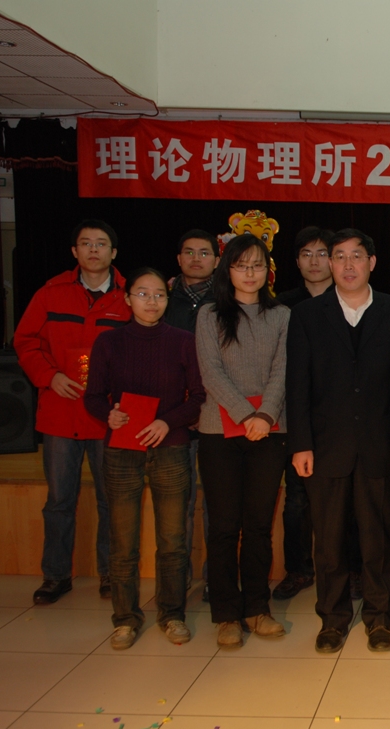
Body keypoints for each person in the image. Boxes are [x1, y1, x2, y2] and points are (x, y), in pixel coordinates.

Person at [286, 228, 390, 654]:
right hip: (325, 447)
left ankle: (379, 619)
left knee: (377, 539)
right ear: (329, 263)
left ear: (371, 263)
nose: (347, 264)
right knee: (328, 542)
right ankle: (333, 620)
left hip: (380, 445)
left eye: (356, 256)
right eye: (338, 256)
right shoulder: (307, 315)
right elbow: (297, 385)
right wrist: (301, 443)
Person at [84, 268, 205, 649]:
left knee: (172, 540)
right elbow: (93, 396)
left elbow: (199, 397)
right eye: (143, 294)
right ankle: (125, 619)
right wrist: (108, 415)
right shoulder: (109, 342)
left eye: (159, 295)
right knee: (123, 541)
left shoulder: (184, 341)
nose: (151, 302)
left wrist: (167, 422)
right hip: (122, 450)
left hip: (171, 447)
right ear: (127, 298)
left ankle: (172, 614)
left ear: (167, 300)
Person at [15, 219, 130, 605]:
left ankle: (110, 573)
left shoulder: (128, 297)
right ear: (74, 252)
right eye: (86, 243)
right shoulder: (50, 294)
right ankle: (55, 575)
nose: (93, 250)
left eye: (101, 243)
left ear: (114, 252)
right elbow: (25, 341)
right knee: (59, 500)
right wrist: (49, 376)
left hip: (108, 417)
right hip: (61, 413)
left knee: (111, 501)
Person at [195, 234, 290, 647]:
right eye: (241, 265)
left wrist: (265, 416)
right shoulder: (210, 314)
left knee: (257, 525)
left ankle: (257, 607)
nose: (250, 273)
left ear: (267, 271)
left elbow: (283, 370)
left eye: (257, 265)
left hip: (269, 432)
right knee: (222, 526)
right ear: (227, 269)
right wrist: (244, 415)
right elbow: (211, 372)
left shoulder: (282, 315)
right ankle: (226, 614)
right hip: (219, 432)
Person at [272, 226, 339, 602]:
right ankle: (298, 570)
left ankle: (348, 570)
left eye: (321, 253)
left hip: (338, 418)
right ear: (296, 261)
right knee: (296, 500)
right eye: (306, 254)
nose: (314, 262)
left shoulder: (349, 300)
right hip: (294, 416)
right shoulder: (281, 306)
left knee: (342, 500)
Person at [162, 228, 219, 602]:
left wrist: (205, 407)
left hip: (216, 417)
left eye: (204, 252)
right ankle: (175, 580)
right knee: (175, 506)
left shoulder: (227, 300)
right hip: (172, 421)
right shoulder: (162, 300)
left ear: (217, 260)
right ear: (179, 258)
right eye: (189, 252)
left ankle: (216, 579)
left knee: (217, 505)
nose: (196, 259)